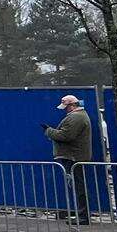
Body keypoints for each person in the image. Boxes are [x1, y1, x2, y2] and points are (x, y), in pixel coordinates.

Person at [44, 93, 94, 224]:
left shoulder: (76, 118)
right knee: (78, 185)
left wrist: (49, 131)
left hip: (74, 157)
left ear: (72, 105)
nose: (65, 109)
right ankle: (82, 213)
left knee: (79, 186)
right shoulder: (79, 116)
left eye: (66, 107)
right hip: (75, 156)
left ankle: (84, 216)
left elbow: (66, 136)